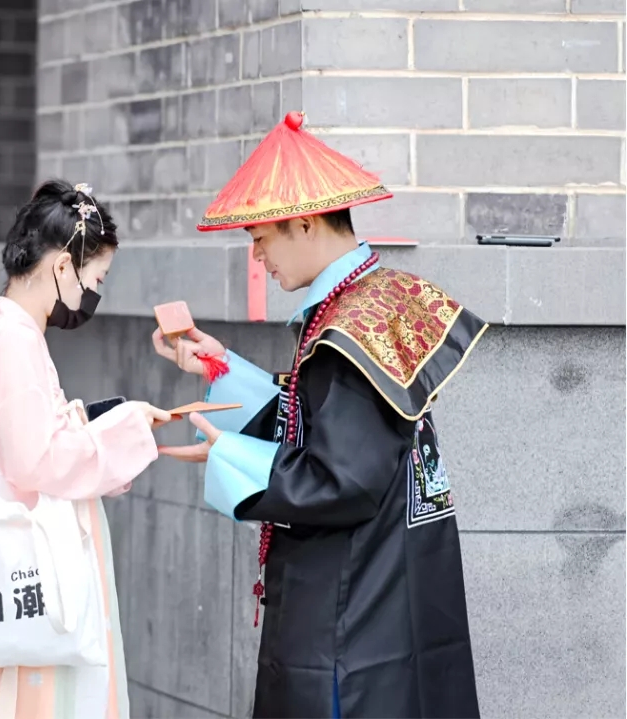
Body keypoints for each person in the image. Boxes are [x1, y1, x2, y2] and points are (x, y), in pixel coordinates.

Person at [153, 112, 485, 719]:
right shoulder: (375, 298)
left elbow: (341, 478)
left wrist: (227, 455)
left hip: (352, 612)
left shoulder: (347, 329)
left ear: (304, 223)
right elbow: (320, 417)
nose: (258, 259)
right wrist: (220, 366)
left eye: (262, 239)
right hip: (395, 587)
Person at [0, 180, 171, 719]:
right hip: (36, 571)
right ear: (62, 267)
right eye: (97, 278)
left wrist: (105, 429)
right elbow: (35, 461)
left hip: (12, 567)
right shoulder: (17, 344)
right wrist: (127, 430)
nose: (94, 293)